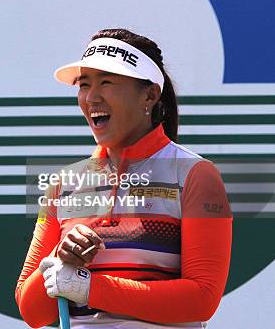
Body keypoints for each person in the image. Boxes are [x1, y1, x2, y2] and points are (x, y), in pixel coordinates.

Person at [15, 29, 232, 328]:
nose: (92, 96)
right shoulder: (64, 182)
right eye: (84, 84)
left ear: (150, 94)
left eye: (106, 82)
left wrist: (90, 289)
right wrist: (60, 257)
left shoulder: (196, 175)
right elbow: (33, 313)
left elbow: (202, 299)